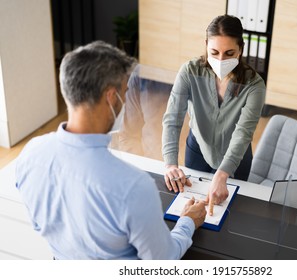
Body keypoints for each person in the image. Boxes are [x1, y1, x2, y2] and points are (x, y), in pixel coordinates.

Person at [15, 41, 206, 260]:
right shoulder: (133, 186)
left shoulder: (30, 155)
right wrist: (188, 222)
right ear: (110, 97)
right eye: (124, 93)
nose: (125, 100)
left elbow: (40, 224)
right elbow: (163, 260)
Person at [162, 15, 266, 213]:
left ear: (241, 50)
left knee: (228, 215)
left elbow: (243, 132)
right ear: (206, 45)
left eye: (229, 53)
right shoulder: (189, 71)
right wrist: (170, 164)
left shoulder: (254, 85)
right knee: (191, 208)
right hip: (197, 150)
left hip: (236, 159)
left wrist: (223, 173)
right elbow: (172, 119)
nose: (221, 60)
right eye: (214, 52)